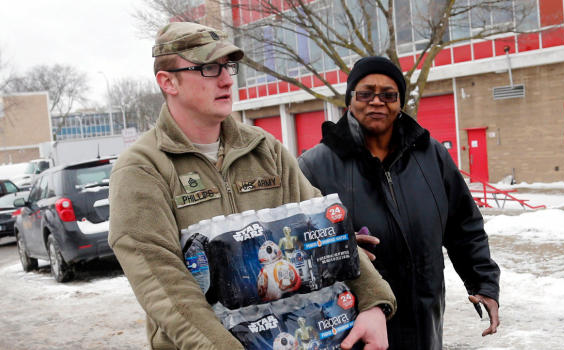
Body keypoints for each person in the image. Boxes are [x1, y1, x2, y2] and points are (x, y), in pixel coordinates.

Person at [108, 23, 396, 350]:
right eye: (207, 68)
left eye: (228, 66)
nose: (227, 79)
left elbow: (323, 228)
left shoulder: (264, 149)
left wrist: (373, 301)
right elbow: (166, 289)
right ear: (168, 81)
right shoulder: (142, 170)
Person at [297, 56, 501, 349]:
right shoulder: (314, 166)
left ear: (400, 101)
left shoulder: (431, 156)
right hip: (355, 331)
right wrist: (338, 250)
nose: (377, 101)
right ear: (350, 100)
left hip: (424, 326)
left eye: (389, 95)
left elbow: (464, 226)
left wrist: (484, 284)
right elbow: (297, 252)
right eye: (366, 93)